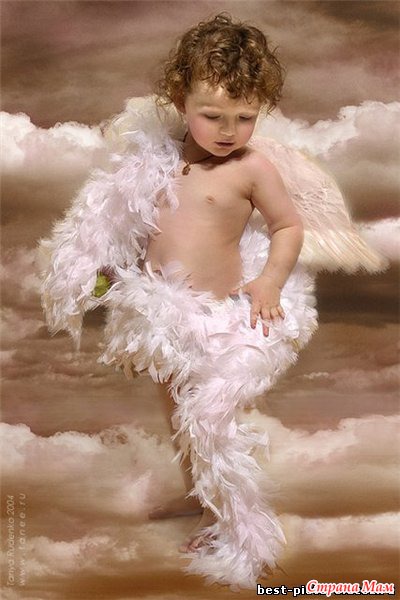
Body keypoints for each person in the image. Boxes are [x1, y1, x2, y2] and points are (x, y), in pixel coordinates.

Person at [38, 13, 386, 591]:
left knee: (211, 419)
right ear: (180, 101)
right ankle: (202, 501)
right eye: (213, 116)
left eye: (245, 118)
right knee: (179, 418)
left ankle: (240, 528)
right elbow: (128, 226)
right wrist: (102, 275)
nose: (229, 130)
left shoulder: (251, 168)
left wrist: (270, 280)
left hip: (221, 321)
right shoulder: (153, 162)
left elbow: (288, 226)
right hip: (162, 320)